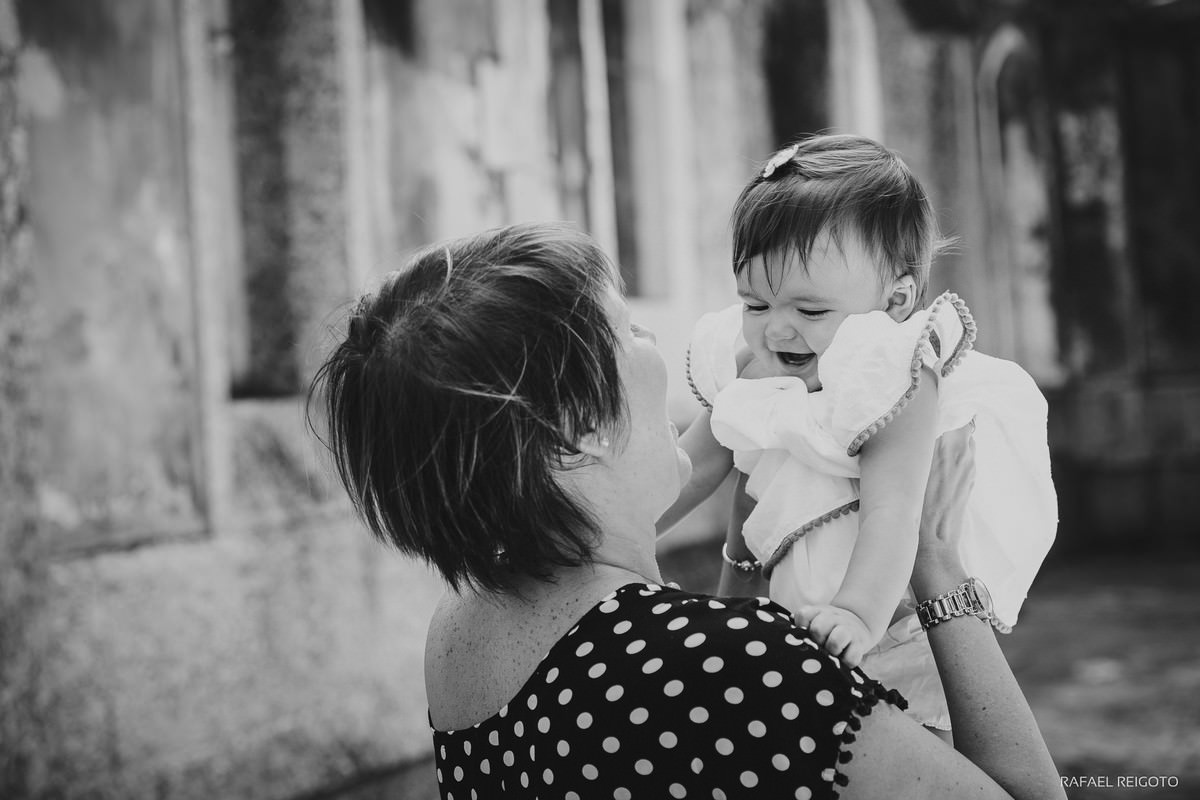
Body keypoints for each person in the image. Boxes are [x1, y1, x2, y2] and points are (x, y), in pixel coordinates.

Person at [308, 221, 1065, 799]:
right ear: (578, 430)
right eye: (626, 331)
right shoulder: (724, 666)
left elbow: (713, 745)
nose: (656, 346)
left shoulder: (463, 629)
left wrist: (752, 508)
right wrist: (937, 566)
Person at [657, 134, 1058, 734]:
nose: (777, 331)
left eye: (810, 311)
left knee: (911, 747)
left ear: (894, 301)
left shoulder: (894, 374)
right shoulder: (750, 361)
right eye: (755, 303)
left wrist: (857, 613)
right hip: (791, 599)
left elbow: (893, 511)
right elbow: (693, 465)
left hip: (890, 616)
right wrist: (621, 530)